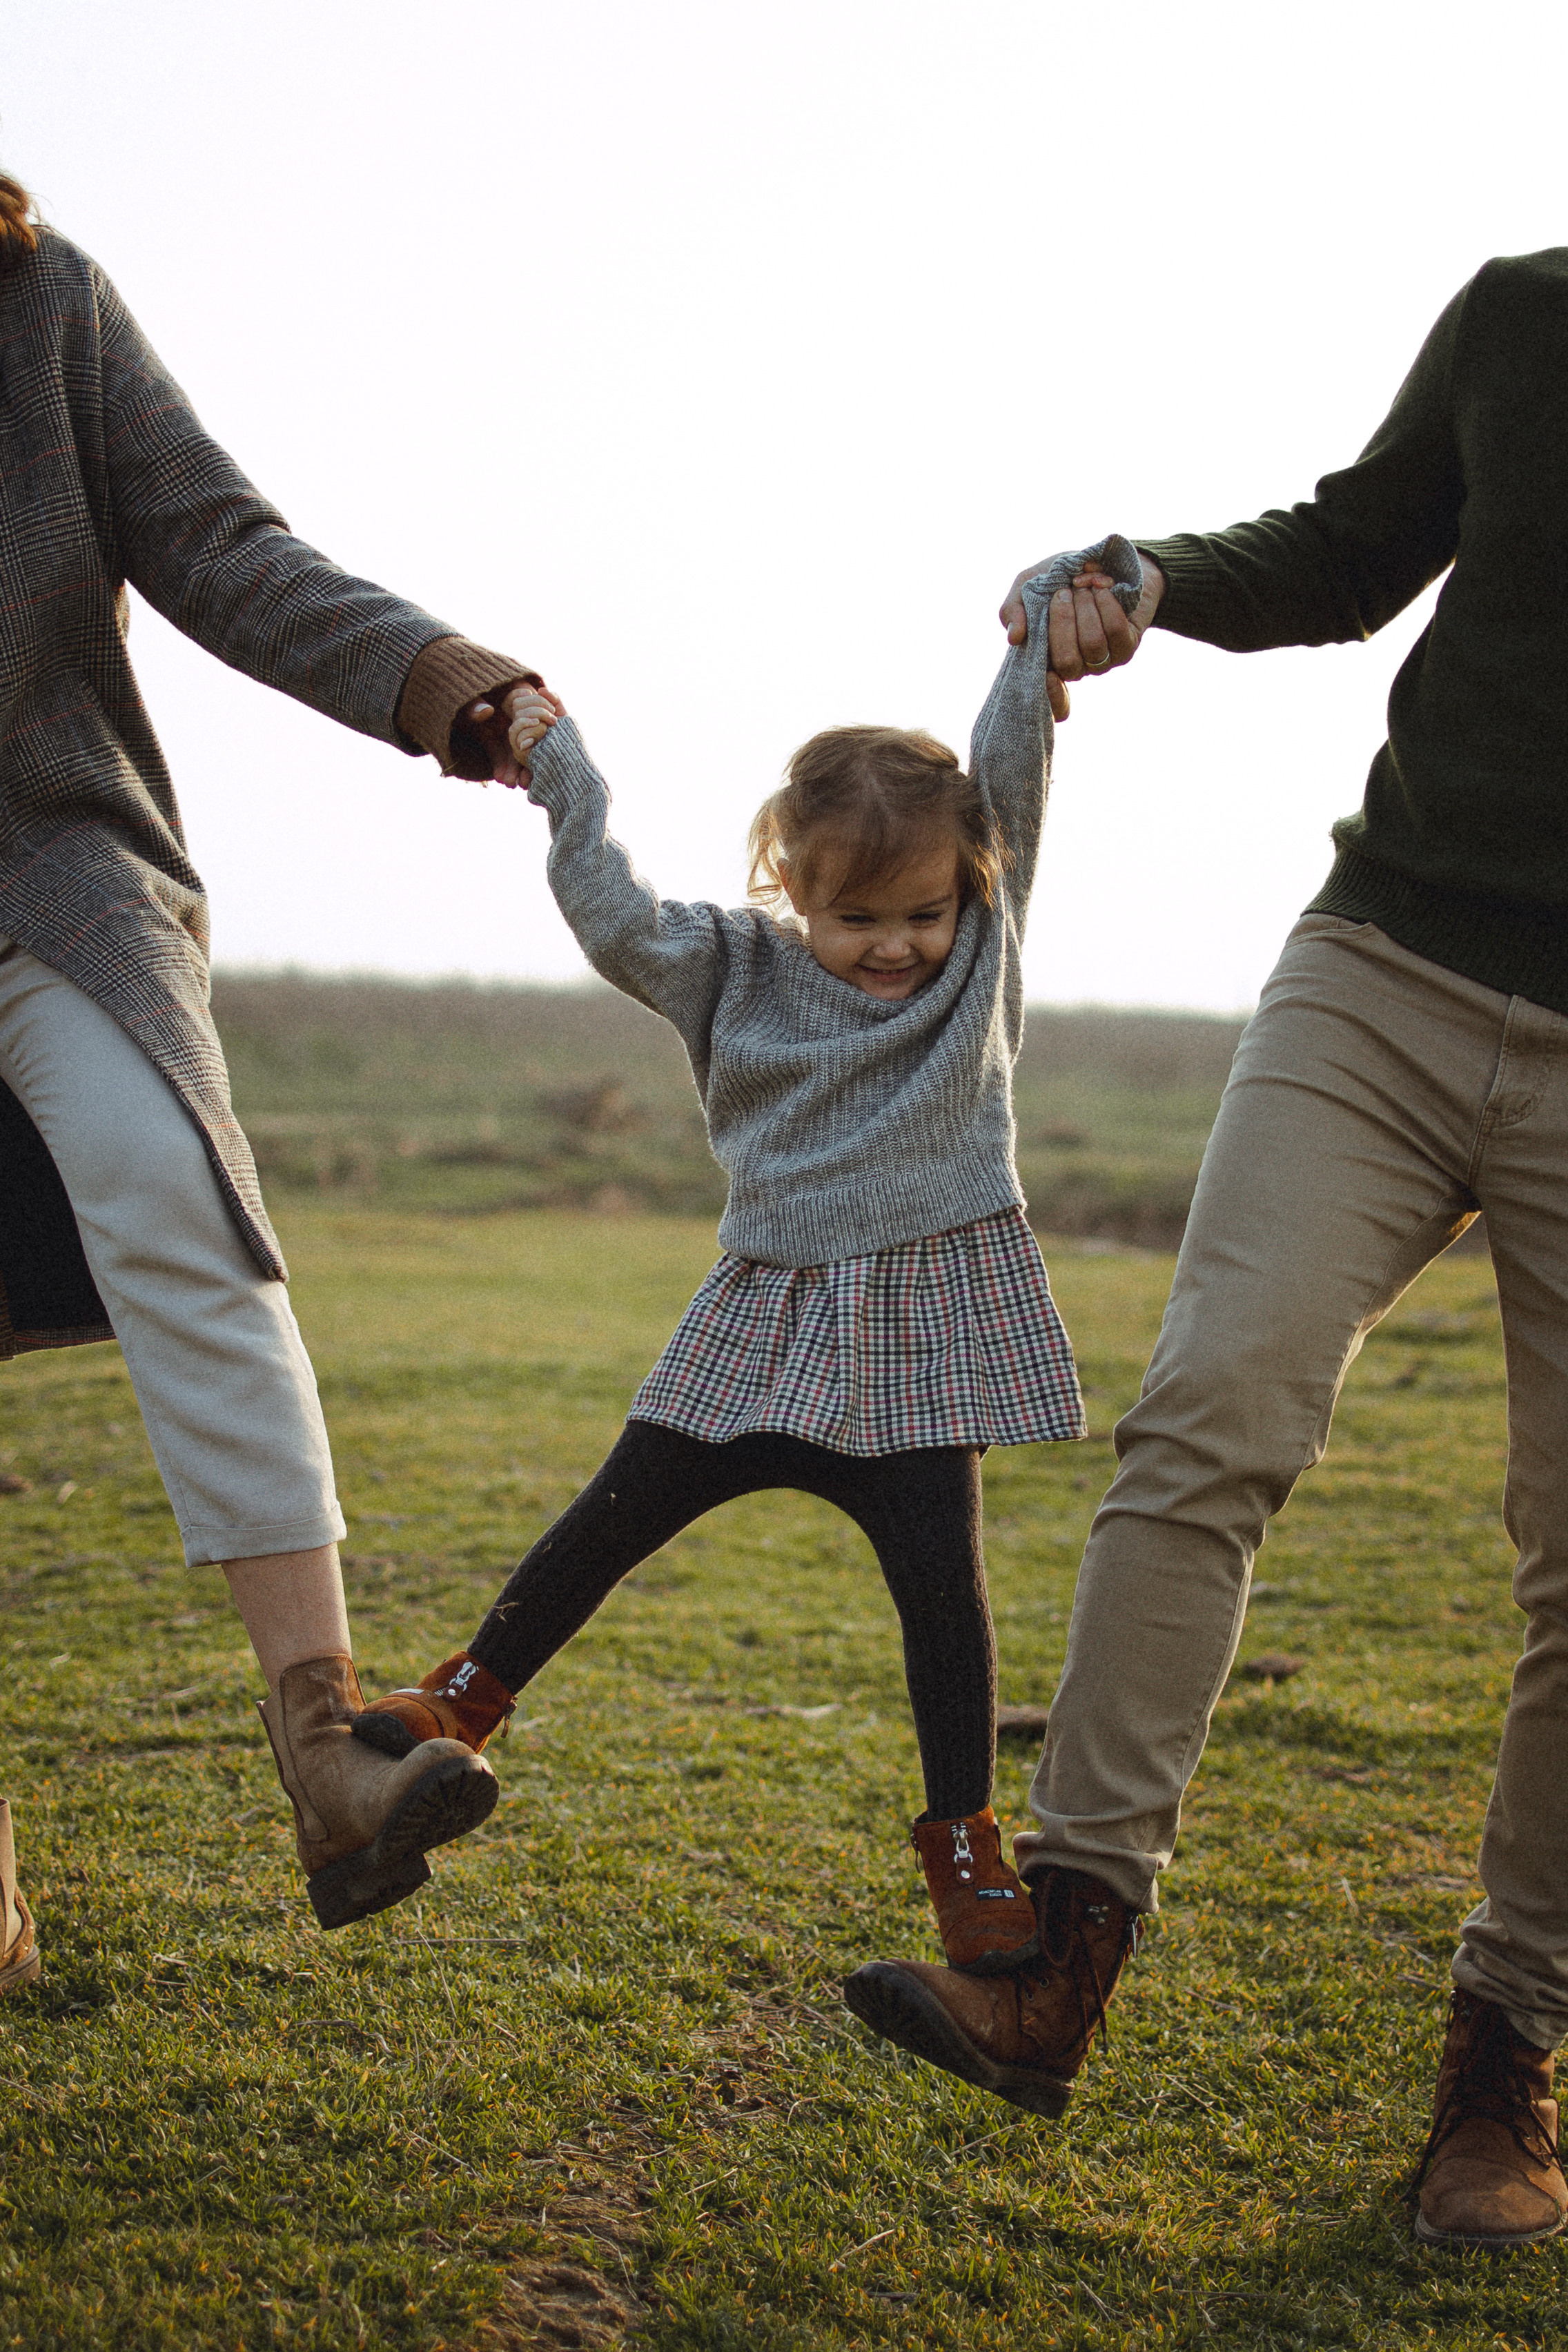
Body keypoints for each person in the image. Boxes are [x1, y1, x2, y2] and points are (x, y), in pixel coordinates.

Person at [848, 248, 1568, 2253]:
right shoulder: (1528, 316)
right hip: (1389, 976)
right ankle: (1053, 1966)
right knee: (1209, 1409)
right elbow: (1353, 549)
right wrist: (1147, 574)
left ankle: (1504, 2057)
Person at [346, 540, 1144, 1990]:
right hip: (765, 1309)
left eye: (922, 912)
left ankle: (962, 1850)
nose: (897, 945)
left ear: (968, 888)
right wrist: (558, 767)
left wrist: (1036, 639)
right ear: (790, 884)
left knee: (941, 1598)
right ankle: (464, 1700)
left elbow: (1007, 763)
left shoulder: (982, 947)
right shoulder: (729, 963)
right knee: (611, 1511)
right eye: (857, 918)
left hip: (918, 1325)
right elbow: (609, 916)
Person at [0, 173, 541, 1975]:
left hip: (53, 876)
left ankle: (327, 1752)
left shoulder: (38, 298)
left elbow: (220, 544)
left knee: (175, 1189)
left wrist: (435, 679)